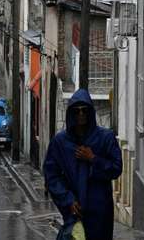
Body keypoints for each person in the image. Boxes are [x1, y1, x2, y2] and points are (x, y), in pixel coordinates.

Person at [43, 89, 122, 240]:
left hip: (100, 211)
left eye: (84, 110)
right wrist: (68, 199)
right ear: (71, 113)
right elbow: (51, 175)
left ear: (90, 112)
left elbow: (116, 168)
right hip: (75, 212)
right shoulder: (60, 142)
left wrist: (93, 159)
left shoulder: (105, 138)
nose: (81, 115)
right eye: (77, 111)